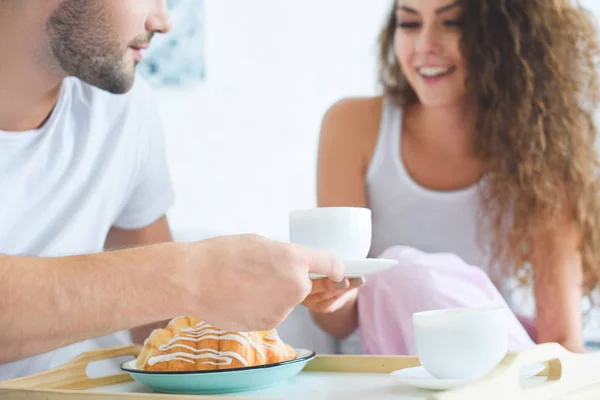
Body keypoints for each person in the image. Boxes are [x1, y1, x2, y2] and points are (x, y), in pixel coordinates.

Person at [0, 0, 344, 380]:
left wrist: (263, 293)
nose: (163, 22)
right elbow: (175, 284)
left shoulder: (119, 109)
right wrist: (195, 273)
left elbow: (160, 322)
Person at [302, 0, 600, 354]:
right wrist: (331, 294)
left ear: (506, 37)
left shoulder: (541, 150)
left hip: (490, 362)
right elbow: (336, 320)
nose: (425, 45)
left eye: (453, 22)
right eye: (409, 23)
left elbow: (561, 339)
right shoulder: (352, 126)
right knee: (400, 275)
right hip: (382, 366)